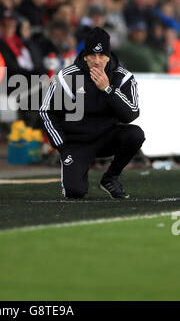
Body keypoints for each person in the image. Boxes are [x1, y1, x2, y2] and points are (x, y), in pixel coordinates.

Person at [39, 26, 145, 199]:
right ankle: (77, 170)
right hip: (77, 142)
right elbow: (46, 112)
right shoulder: (66, 77)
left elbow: (131, 114)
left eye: (102, 55)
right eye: (92, 55)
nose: (97, 60)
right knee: (75, 192)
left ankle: (111, 177)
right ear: (85, 56)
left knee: (135, 134)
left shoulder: (122, 77)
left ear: (108, 56)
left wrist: (108, 89)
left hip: (107, 137)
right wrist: (63, 148)